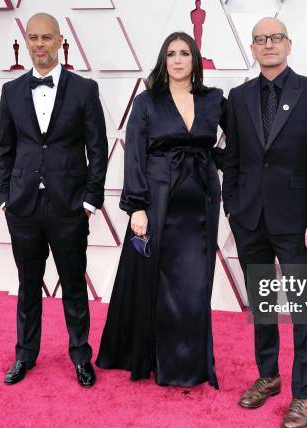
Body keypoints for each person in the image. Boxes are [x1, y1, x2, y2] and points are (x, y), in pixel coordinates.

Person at [96, 31, 226, 388]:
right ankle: (158, 360)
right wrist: (137, 207)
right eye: (172, 54)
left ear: (195, 59)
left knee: (195, 283)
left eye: (185, 53)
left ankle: (190, 362)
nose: (179, 60)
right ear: (163, 60)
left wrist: (217, 159)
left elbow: (235, 146)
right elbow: (134, 153)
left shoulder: (214, 99)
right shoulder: (147, 101)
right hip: (157, 198)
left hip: (201, 200)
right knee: (157, 280)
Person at [223, 17, 307, 428]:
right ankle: (268, 377)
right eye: (259, 40)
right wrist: (232, 206)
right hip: (249, 219)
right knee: (263, 306)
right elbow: (232, 158)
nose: (267, 45)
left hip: (297, 224)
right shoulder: (238, 97)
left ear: (289, 44)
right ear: (252, 49)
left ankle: (303, 396)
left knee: (303, 312)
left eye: (275, 38)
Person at [0, 13, 108, 387]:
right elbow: (4, 149)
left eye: (46, 37)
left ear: (60, 41)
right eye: (32, 38)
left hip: (69, 207)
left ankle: (80, 357)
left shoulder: (84, 89)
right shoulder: (10, 91)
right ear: (26, 42)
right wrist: (5, 198)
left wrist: (90, 203)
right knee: (28, 285)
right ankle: (24, 355)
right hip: (23, 207)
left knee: (74, 284)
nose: (39, 44)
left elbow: (98, 149)